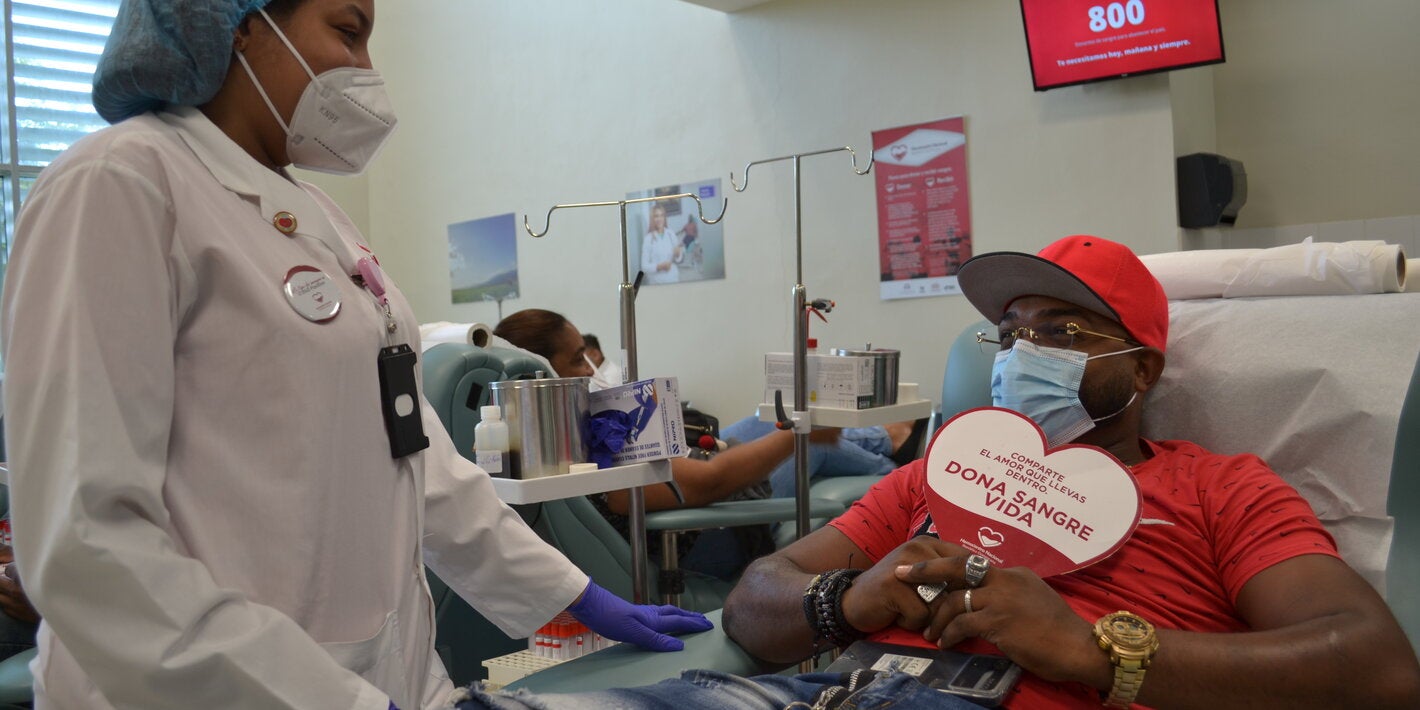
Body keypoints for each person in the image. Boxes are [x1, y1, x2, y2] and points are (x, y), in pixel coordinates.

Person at [0, 2, 709, 708]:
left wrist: (575, 594)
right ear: (238, 24)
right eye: (348, 31)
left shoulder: (319, 221)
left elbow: (417, 462)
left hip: (391, 673)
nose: (366, 70)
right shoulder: (119, 183)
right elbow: (89, 537)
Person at [453, 235, 1420, 709]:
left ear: (1144, 368)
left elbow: (1376, 665)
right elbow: (755, 599)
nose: (1020, 353)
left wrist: (1095, 648)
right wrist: (851, 597)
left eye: (1063, 332)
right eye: (1011, 334)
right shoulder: (945, 474)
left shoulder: (1219, 489)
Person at [494, 309, 911, 580]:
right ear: (543, 373)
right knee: (807, 440)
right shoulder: (586, 455)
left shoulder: (529, 440)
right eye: (577, 358)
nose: (591, 367)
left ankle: (886, 436)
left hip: (700, 485)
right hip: (713, 534)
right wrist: (800, 436)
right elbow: (710, 483)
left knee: (757, 421)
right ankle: (905, 468)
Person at [639, 203, 683, 285]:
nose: (659, 219)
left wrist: (678, 254)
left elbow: (679, 259)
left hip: (673, 278)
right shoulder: (648, 239)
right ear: (652, 219)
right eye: (656, 216)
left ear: (664, 217)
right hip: (657, 281)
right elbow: (644, 266)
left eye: (661, 215)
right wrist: (659, 267)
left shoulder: (671, 234)